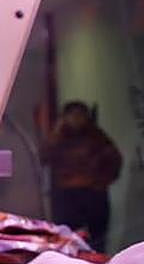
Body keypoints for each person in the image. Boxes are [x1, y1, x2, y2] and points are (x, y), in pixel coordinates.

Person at [41, 101, 123, 252]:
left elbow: (114, 160)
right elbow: (44, 157)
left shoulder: (97, 137)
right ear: (65, 117)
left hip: (93, 194)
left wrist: (100, 182)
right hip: (67, 196)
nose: (77, 119)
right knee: (67, 238)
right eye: (73, 115)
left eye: (80, 115)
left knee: (98, 240)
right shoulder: (58, 137)